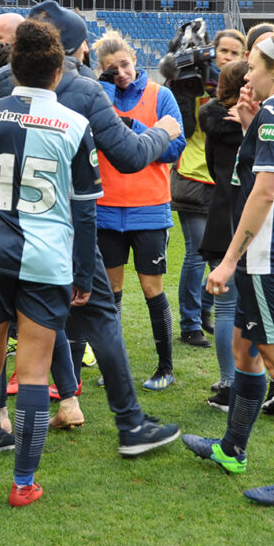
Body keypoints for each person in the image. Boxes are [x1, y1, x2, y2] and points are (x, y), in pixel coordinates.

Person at [0, 0, 183, 457]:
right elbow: (127, 156)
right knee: (98, 316)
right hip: (57, 238)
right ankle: (128, 425)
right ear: (68, 49)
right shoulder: (84, 88)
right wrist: (163, 130)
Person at [0, 18, 100, 507]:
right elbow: (86, 210)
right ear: (57, 73)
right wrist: (83, 272)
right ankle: (23, 483)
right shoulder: (76, 124)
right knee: (33, 374)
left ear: (12, 66)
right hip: (49, 263)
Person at [183, 26, 274, 507]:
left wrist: (226, 262)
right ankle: (232, 449)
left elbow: (265, 191)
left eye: (255, 66)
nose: (249, 73)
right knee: (246, 351)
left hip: (269, 253)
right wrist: (248, 124)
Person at [94, 31, 185, 390]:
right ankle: (112, 367)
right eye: (110, 69)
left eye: (125, 64)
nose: (120, 73)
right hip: (105, 208)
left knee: (152, 289)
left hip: (149, 209)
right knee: (110, 294)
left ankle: (165, 368)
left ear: (135, 61)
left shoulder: (160, 95)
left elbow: (174, 147)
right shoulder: (97, 100)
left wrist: (134, 127)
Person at [172, 29, 245, 350]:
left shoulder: (245, 89)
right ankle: (190, 322)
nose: (227, 57)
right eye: (222, 50)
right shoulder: (193, 81)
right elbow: (184, 125)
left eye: (234, 52)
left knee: (221, 257)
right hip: (192, 177)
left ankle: (204, 310)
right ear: (211, 51)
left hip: (226, 183)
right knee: (195, 253)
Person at [198, 59, 249, 411]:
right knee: (254, 304)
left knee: (226, 305)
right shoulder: (263, 123)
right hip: (253, 218)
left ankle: (230, 382)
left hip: (221, 214)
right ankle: (252, 381)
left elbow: (213, 166)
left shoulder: (212, 123)